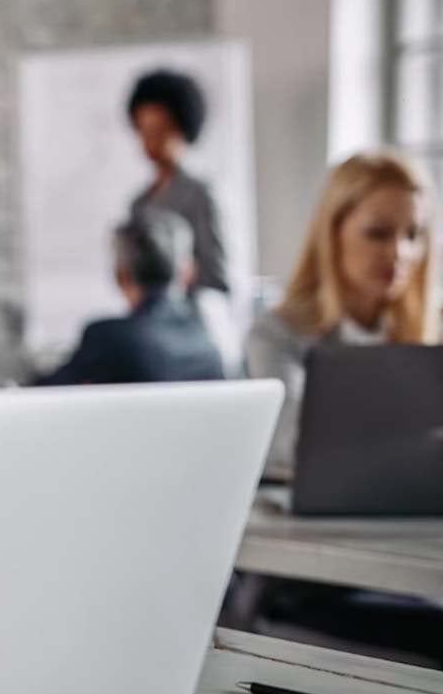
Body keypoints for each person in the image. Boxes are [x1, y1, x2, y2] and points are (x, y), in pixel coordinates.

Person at [246, 150, 437, 480]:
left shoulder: (433, 330)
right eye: (378, 232)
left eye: (413, 234)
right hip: (317, 524)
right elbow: (295, 443)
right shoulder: (277, 333)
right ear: (332, 233)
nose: (400, 253)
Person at [127, 69, 239, 372]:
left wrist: (174, 292)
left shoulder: (201, 194)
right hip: (148, 335)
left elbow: (217, 275)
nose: (151, 141)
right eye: (144, 131)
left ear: (182, 128)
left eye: (160, 130)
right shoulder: (139, 203)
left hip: (193, 334)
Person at [36, 208, 224, 385]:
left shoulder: (108, 338)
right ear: (187, 272)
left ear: (121, 275)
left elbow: (41, 396)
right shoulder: (209, 338)